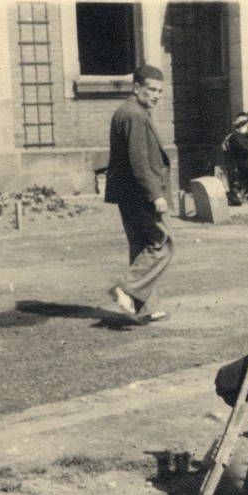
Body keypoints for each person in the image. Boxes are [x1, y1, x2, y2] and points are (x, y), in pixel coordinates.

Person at [105, 65, 173, 323]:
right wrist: (155, 194)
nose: (156, 95)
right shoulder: (134, 115)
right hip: (139, 192)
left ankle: (146, 307)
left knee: (141, 246)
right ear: (136, 88)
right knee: (163, 243)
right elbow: (139, 160)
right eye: (151, 89)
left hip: (127, 192)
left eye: (160, 91)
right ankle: (127, 288)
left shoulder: (129, 111)